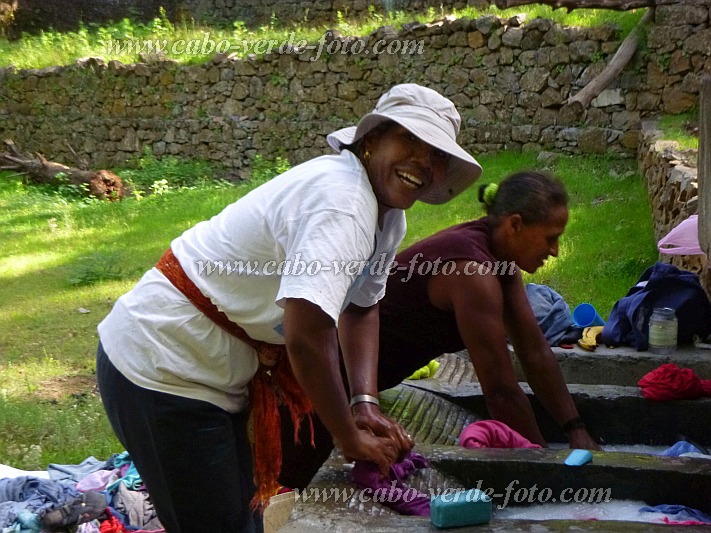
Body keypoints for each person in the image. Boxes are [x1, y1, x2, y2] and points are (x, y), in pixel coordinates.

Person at [95, 83, 482, 533]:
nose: (423, 162)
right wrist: (348, 435)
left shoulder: (388, 217)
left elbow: (360, 309)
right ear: (372, 140)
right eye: (409, 142)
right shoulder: (343, 203)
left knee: (240, 516)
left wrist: (364, 401)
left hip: (205, 371)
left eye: (436, 156)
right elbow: (308, 334)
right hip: (162, 364)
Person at [279, 171, 600, 492]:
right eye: (550, 238)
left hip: (353, 382)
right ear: (514, 225)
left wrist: (576, 428)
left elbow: (535, 352)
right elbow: (500, 391)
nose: (555, 250)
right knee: (291, 486)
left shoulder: (502, 262)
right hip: (319, 381)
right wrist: (542, 466)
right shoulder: (472, 272)